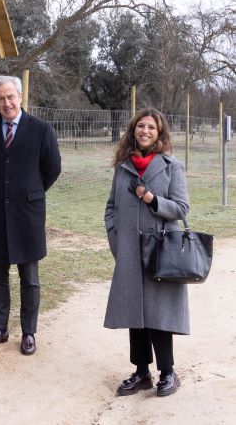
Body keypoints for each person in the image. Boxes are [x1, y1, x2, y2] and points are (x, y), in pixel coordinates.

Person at [104, 108, 189, 397]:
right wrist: (115, 237)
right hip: (128, 249)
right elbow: (111, 207)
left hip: (160, 251)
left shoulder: (171, 166)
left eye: (151, 127)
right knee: (134, 312)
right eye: (141, 126)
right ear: (133, 130)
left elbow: (181, 208)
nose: (145, 131)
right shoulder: (123, 166)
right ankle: (141, 373)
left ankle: (168, 372)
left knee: (159, 313)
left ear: (159, 133)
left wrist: (153, 200)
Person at [0, 75, 61, 355]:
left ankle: (28, 333)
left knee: (30, 277)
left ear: (21, 97)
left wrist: (31, 190)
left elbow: (52, 168)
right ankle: (0, 328)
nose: (6, 102)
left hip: (28, 214)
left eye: (10, 96)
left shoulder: (41, 130)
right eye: (0, 98)